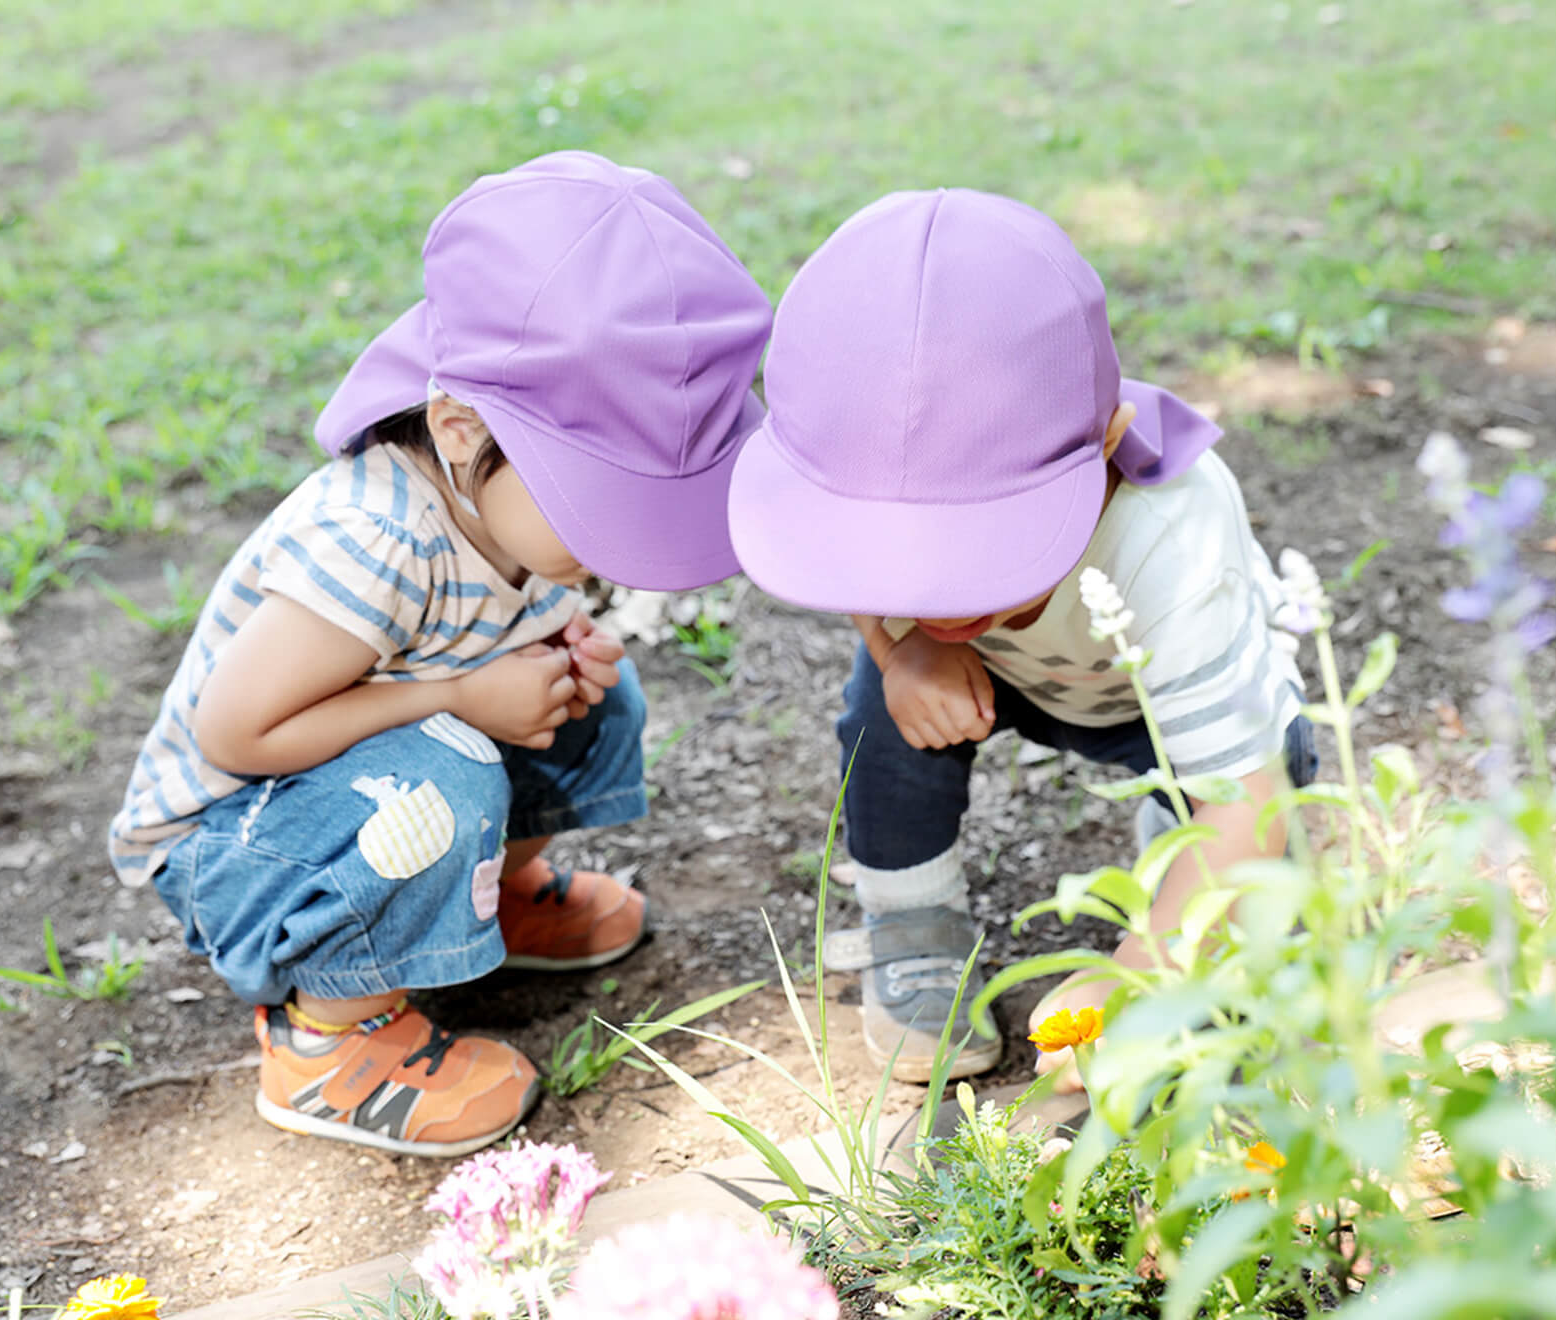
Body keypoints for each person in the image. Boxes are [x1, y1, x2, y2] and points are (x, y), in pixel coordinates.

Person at [108, 151, 772, 1155]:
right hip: (235, 845)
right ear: (462, 429)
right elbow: (237, 732)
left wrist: (545, 638)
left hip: (340, 782)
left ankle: (476, 906)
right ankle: (333, 1042)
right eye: (602, 506)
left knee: (592, 693)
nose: (616, 549)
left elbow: (501, 610)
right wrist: (460, 695)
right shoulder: (375, 538)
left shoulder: (496, 498)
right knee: (441, 774)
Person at [726, 188, 1315, 1084]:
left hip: (1159, 698)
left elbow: (1248, 802)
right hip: (998, 676)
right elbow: (831, 548)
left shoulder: (1172, 537)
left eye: (976, 545)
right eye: (899, 547)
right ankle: (913, 923)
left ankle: (1175, 873)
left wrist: (1138, 979)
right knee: (883, 718)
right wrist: (904, 650)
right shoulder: (886, 513)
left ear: (1105, 437)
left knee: (1234, 860)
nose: (933, 587)